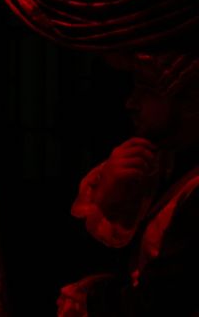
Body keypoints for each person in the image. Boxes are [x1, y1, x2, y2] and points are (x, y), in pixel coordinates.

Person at [57, 52, 199, 317]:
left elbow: (161, 300)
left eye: (147, 89)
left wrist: (93, 302)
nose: (131, 103)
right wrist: (107, 198)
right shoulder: (157, 162)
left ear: (189, 99)